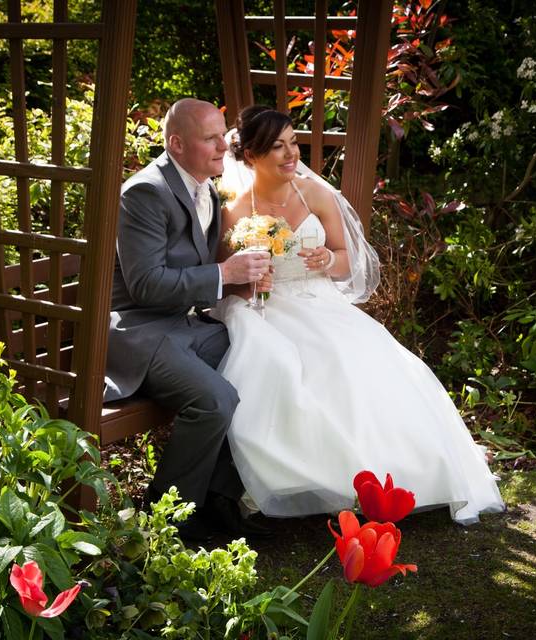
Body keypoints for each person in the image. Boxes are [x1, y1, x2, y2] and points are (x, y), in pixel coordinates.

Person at [213, 105, 505, 524]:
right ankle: (305, 481)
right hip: (272, 309)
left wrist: (325, 261)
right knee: (282, 364)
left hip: (321, 302)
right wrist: (252, 280)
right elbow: (229, 277)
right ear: (252, 156)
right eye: (277, 147)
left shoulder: (315, 194)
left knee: (359, 363)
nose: (291, 153)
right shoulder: (236, 211)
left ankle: (400, 477)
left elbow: (350, 261)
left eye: (294, 142)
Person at [105, 99, 272, 539]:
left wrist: (239, 282)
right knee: (214, 400)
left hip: (183, 325)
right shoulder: (143, 193)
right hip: (138, 331)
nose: (224, 146)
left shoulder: (207, 190)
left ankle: (218, 497)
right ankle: (165, 516)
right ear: (176, 144)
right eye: (211, 138)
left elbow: (199, 274)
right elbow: (144, 285)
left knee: (268, 364)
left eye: (224, 134)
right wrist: (223, 274)